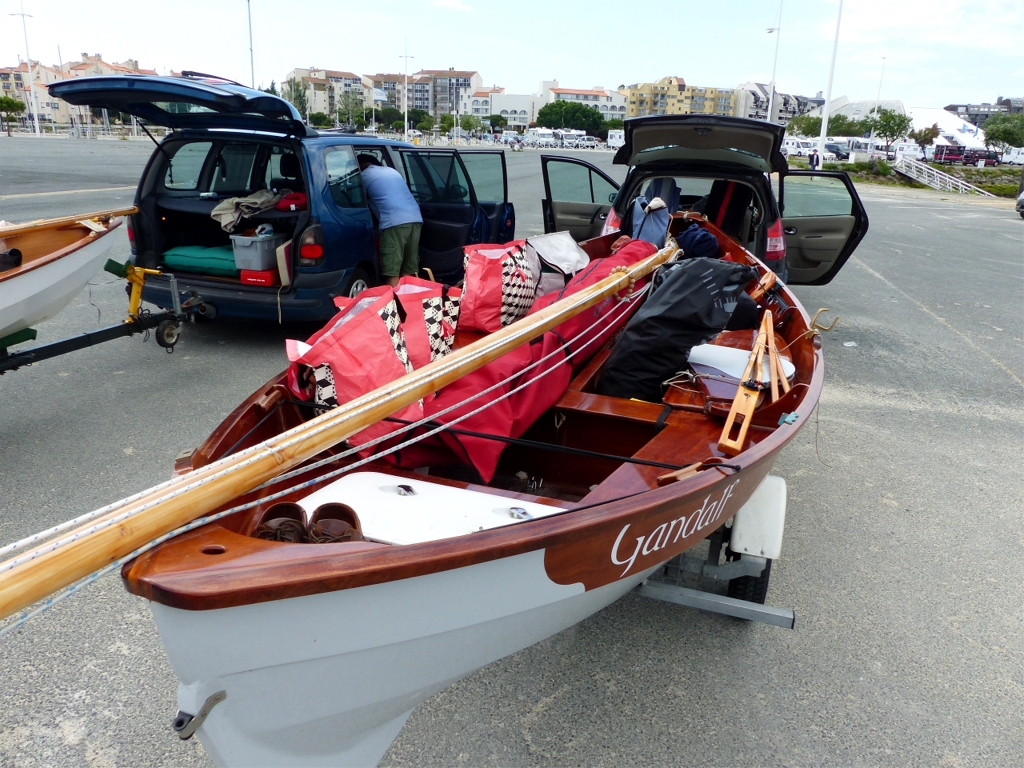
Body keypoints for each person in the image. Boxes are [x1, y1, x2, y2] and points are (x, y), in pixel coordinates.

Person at [356, 154, 423, 286]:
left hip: (394, 222)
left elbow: (348, 195)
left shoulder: (363, 176)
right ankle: (409, 302)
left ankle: (393, 304)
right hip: (415, 218)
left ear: (360, 165)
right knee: (408, 271)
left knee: (392, 272)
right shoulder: (391, 171)